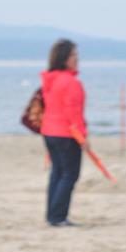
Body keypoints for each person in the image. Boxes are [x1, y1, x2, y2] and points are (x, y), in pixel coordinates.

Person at [40, 38, 90, 227]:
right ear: (64, 58)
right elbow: (73, 113)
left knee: (58, 173)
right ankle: (58, 216)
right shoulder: (70, 83)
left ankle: (52, 215)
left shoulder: (50, 80)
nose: (77, 59)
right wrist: (82, 136)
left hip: (49, 131)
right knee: (69, 174)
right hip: (66, 134)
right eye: (73, 55)